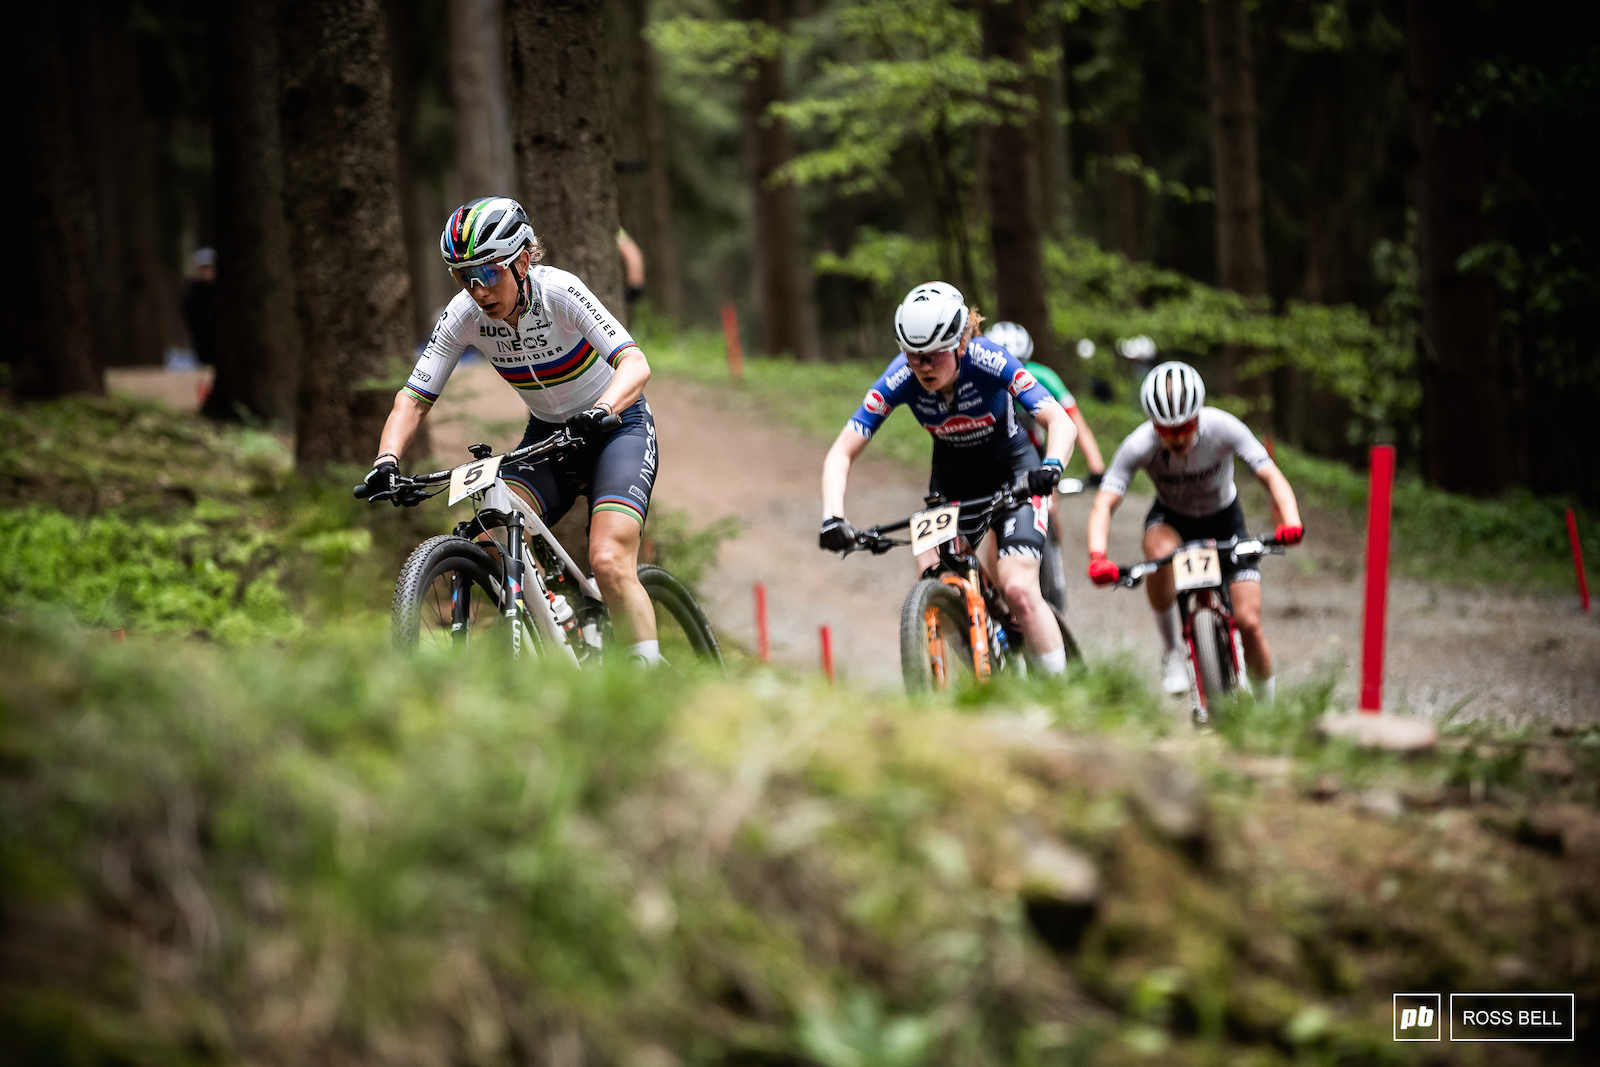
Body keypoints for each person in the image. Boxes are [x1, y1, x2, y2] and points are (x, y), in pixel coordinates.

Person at [359, 196, 664, 664]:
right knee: (489, 534)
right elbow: (412, 398)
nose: (478, 290)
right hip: (549, 435)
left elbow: (634, 364)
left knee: (607, 559)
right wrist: (386, 461)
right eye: (464, 276)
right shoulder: (464, 315)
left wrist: (600, 411)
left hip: (616, 427)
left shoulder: (560, 292)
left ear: (522, 260)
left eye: (489, 273)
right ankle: (560, 615)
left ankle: (648, 676)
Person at [819, 282, 1078, 677]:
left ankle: (1065, 697)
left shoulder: (991, 360)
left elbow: (1059, 420)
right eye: (912, 354)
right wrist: (833, 517)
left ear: (960, 344)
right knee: (931, 570)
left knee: (1019, 589)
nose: (921, 365)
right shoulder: (899, 377)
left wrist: (1052, 467)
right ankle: (982, 677)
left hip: (1015, 472)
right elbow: (841, 452)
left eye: (932, 355)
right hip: (951, 482)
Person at [1083, 361, 1303, 701]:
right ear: (1154, 426)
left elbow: (1269, 474)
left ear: (1198, 416)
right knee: (1157, 555)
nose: (1178, 437)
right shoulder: (1138, 444)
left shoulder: (1222, 427)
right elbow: (1104, 503)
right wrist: (1097, 556)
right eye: (1166, 431)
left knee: (1249, 623)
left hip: (1225, 520)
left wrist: (1290, 521)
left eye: (1185, 427)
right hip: (1172, 521)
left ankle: (1268, 711)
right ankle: (1171, 650)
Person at [983, 321, 1106, 484]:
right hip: (997, 453)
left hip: (1029, 449)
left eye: (1018, 366)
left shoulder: (1044, 377)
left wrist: (1095, 465)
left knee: (1047, 493)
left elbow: (1074, 422)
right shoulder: (1043, 376)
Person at [181, 248, 217, 369]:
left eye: (209, 267)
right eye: (203, 267)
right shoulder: (192, 292)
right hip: (202, 342)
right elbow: (192, 319)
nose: (206, 271)